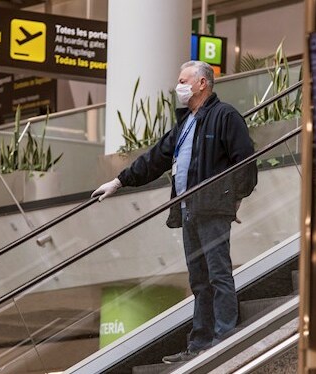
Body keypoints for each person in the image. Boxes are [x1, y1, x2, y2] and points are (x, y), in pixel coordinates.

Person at [92, 60, 257, 363]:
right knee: (198, 280)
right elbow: (155, 159)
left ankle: (224, 339)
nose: (178, 86)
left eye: (184, 80)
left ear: (202, 84)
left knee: (218, 274)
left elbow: (245, 162)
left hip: (212, 209)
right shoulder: (185, 123)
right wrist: (118, 182)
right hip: (188, 210)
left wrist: (233, 200)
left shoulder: (225, 116)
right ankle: (200, 343)